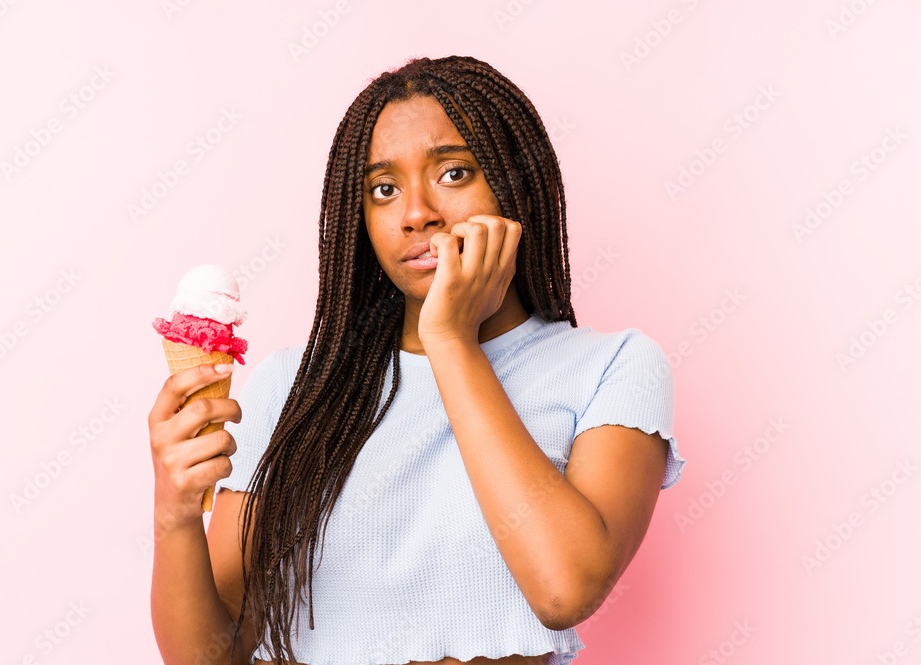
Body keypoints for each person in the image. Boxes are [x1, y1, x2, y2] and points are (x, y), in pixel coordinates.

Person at [148, 55, 685, 665]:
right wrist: (174, 509)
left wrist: (451, 341)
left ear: (520, 189)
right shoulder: (293, 387)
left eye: (454, 173)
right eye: (384, 189)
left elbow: (565, 588)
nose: (417, 213)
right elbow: (209, 658)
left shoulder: (612, 368)